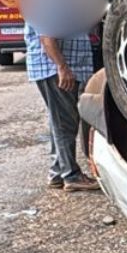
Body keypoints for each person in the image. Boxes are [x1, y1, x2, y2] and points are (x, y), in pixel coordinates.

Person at [24, 19, 99, 192]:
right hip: (55, 70)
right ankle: (71, 175)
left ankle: (57, 172)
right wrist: (62, 67)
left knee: (58, 121)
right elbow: (47, 38)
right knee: (65, 123)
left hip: (61, 68)